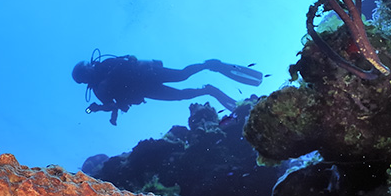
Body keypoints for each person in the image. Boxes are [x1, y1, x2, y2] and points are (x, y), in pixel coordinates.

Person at [72, 53, 264, 125]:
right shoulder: (99, 90)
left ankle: (209, 65)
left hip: (148, 75)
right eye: (86, 69)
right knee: (180, 95)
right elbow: (112, 105)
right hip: (146, 90)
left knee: (182, 75)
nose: (90, 67)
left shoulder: (105, 65)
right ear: (84, 77)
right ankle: (209, 90)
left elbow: (128, 63)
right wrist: (98, 110)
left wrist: (103, 110)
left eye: (87, 66)